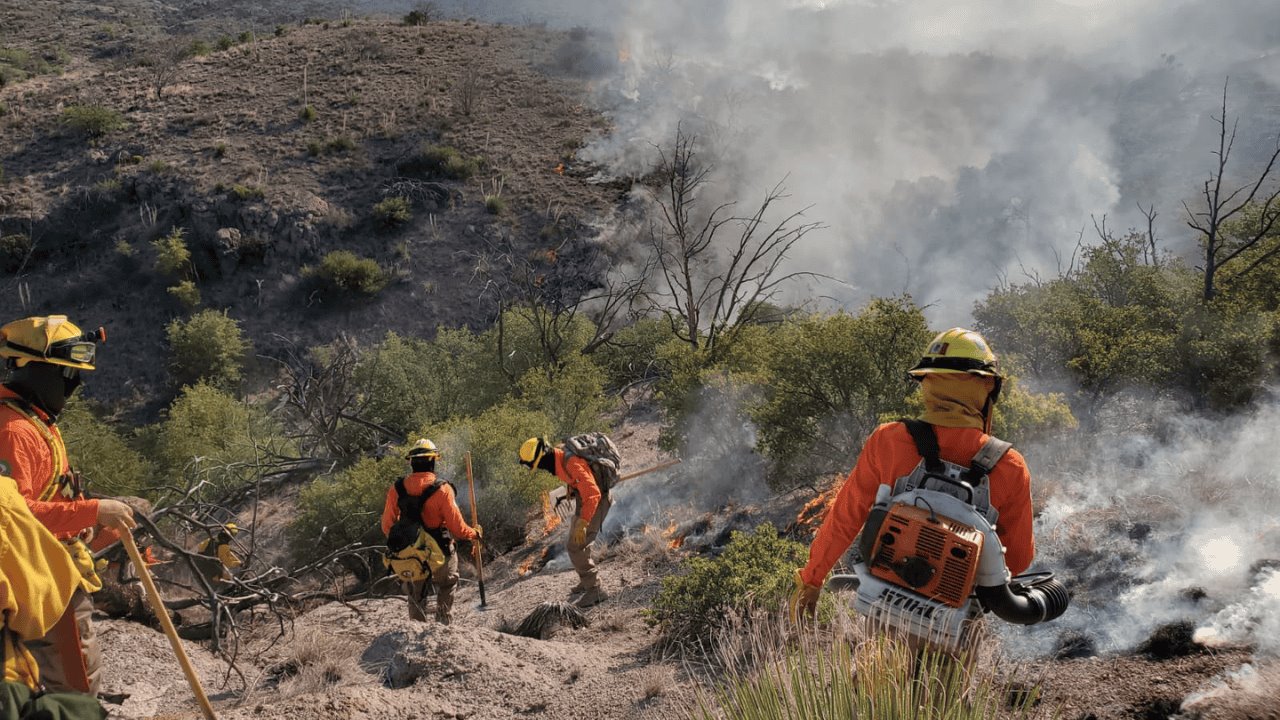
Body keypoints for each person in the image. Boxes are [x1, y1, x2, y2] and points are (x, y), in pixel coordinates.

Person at [790, 328, 1035, 640]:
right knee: (945, 691)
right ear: (986, 386)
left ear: (928, 383)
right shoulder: (1010, 466)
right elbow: (1017, 559)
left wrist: (812, 579)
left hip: (885, 614)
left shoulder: (889, 441)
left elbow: (845, 517)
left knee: (878, 687)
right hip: (957, 627)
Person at [0, 315, 136, 695]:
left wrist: (78, 520)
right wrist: (92, 510)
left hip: (47, 569)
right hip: (38, 578)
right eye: (65, 373)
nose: (75, 383)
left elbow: (42, 496)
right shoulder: (13, 432)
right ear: (34, 369)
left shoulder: (35, 420)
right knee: (74, 680)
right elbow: (14, 517)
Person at [1, 476, 106, 718]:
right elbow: (37, 611)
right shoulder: (16, 441)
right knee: (76, 692)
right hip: (6, 681)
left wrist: (79, 517)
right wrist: (91, 511)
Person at [380, 439, 480, 625]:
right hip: (440, 551)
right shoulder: (443, 489)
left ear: (411, 462)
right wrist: (474, 533)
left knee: (415, 593)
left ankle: (417, 629)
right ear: (433, 461)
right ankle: (442, 626)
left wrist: (408, 545)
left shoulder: (397, 488)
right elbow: (457, 528)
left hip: (411, 555)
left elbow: (387, 525)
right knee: (447, 583)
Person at [518, 436, 613, 607]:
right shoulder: (560, 457)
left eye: (536, 465)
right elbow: (580, 481)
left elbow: (593, 494)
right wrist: (572, 487)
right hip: (584, 500)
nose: (539, 469)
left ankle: (595, 590)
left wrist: (583, 522)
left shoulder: (571, 462)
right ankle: (587, 580)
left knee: (575, 546)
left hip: (596, 502)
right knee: (577, 543)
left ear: (542, 459)